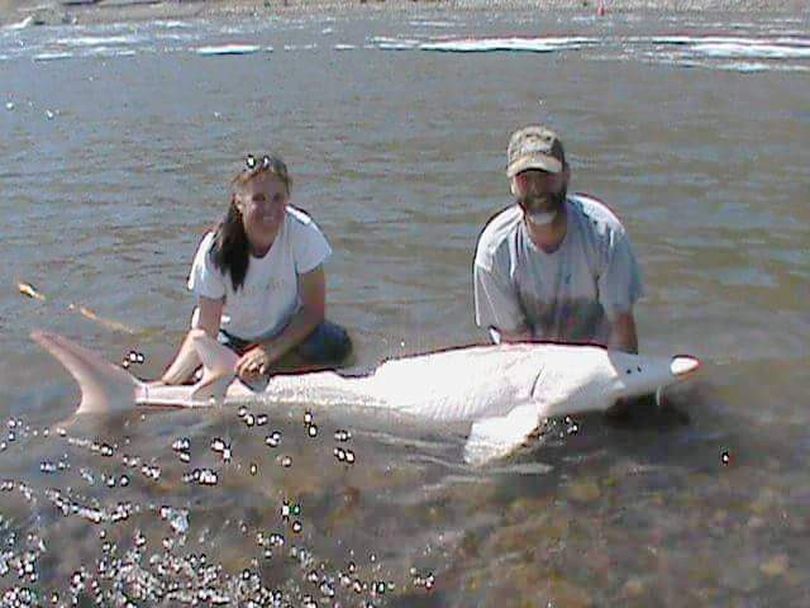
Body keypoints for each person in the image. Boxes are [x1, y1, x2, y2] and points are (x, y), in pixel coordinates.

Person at [159, 153, 351, 386]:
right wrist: (167, 384)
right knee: (196, 377)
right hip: (232, 338)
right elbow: (205, 331)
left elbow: (313, 311)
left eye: (277, 198)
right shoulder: (214, 250)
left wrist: (268, 353)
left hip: (284, 332)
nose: (269, 209)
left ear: (287, 199)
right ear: (239, 202)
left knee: (338, 344)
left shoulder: (302, 232)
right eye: (259, 199)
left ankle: (269, 368)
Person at [473, 125, 643, 353]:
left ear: (566, 176)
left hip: (599, 363)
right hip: (527, 362)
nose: (536, 189)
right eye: (525, 178)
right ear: (512, 184)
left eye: (545, 176)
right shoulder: (494, 253)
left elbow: (621, 330)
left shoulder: (606, 236)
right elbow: (515, 343)